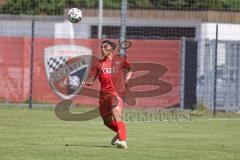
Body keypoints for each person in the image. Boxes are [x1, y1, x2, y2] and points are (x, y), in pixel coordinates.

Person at [83, 40, 133, 149]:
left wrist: (127, 79)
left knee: (116, 114)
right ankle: (120, 133)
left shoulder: (119, 60)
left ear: (111, 49)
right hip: (104, 95)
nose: (102, 49)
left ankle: (123, 141)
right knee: (107, 121)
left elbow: (130, 68)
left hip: (117, 93)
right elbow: (91, 81)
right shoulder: (98, 64)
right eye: (101, 47)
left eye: (105, 47)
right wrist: (84, 82)